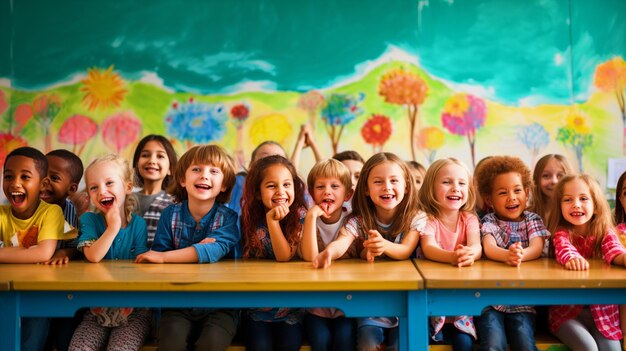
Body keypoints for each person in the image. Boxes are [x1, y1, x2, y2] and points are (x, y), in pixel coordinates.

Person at [135, 145, 240, 350]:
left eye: (213, 171)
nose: (204, 176)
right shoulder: (169, 214)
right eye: (196, 169)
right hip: (177, 303)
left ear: (224, 184)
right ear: (182, 179)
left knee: (210, 344)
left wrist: (168, 258)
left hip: (220, 305)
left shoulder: (229, 219)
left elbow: (208, 252)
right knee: (170, 343)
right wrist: (194, 251)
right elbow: (157, 257)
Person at [315, 152, 423, 350]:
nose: (387, 187)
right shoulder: (359, 220)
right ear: (365, 188)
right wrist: (329, 252)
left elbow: (405, 250)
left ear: (406, 186)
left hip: (407, 303)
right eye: (378, 181)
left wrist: (384, 246)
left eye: (394, 181)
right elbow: (342, 241)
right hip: (371, 305)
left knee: (402, 345)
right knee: (367, 344)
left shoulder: (416, 218)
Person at [69, 154, 151, 351]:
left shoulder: (138, 224)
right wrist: (112, 227)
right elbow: (93, 256)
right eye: (94, 187)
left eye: (109, 183)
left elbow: (140, 264)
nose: (102, 191)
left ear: (128, 187)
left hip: (133, 312)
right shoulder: (89, 220)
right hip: (96, 311)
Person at [474, 156, 550, 351]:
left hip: (523, 303)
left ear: (526, 193)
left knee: (524, 343)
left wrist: (521, 254)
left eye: (517, 190)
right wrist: (507, 255)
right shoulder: (488, 221)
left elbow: (537, 245)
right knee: (492, 343)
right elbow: (489, 247)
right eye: (502, 192)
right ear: (490, 199)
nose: (512, 197)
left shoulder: (532, 219)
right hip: (490, 302)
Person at [0, 146, 71, 351]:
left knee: (33, 336)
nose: (15, 183)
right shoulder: (2, 214)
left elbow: (43, 252)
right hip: (10, 291)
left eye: (25, 177)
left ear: (42, 184)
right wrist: (25, 254)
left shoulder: (51, 212)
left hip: (39, 293)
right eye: (8, 176)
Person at [547, 174, 626, 351]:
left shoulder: (605, 232)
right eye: (568, 200)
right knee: (588, 348)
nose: (576, 204)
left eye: (583, 198)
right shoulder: (562, 233)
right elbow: (563, 248)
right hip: (567, 315)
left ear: (596, 206)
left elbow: (615, 249)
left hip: (604, 315)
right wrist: (572, 258)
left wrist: (623, 258)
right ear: (560, 208)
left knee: (613, 349)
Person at [240, 154, 308, 351]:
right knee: (259, 346)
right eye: (271, 186)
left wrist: (273, 222)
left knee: (288, 344)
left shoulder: (300, 215)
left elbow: (284, 256)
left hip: (290, 308)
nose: (281, 192)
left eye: (287, 185)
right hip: (256, 307)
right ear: (259, 193)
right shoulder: (249, 216)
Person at [417, 157, 481, 350]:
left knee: (464, 343)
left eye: (462, 183)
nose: (455, 188)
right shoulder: (427, 219)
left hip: (460, 301)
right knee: (428, 341)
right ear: (431, 189)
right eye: (447, 182)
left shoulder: (469, 219)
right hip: (432, 298)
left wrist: (470, 253)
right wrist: (453, 256)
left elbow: (476, 246)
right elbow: (429, 248)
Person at [300, 159, 355, 351]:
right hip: (316, 305)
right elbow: (310, 257)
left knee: (344, 340)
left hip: (345, 303)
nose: (327, 191)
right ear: (311, 192)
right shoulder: (308, 218)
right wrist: (311, 217)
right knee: (320, 341)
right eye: (320, 186)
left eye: (335, 186)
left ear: (348, 194)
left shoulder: (353, 219)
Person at [40, 149, 85, 351]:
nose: (45, 181)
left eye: (54, 177)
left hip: (60, 285)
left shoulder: (69, 210)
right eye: (42, 174)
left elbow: (75, 246)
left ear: (71, 189)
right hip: (31, 281)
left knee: (65, 332)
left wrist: (65, 252)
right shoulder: (26, 207)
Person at [131, 134, 177, 248]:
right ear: (136, 164)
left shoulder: (175, 203)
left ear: (170, 168)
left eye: (160, 156)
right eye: (145, 155)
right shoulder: (124, 199)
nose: (152, 160)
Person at [529, 154, 573, 223]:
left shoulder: (575, 213)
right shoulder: (526, 215)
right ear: (536, 180)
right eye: (546, 176)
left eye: (560, 176)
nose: (554, 181)